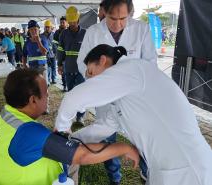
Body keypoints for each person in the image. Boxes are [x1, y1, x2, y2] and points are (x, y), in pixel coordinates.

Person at [56, 44, 212, 185]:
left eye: (91, 72)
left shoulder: (132, 69)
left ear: (103, 60)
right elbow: (103, 128)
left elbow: (73, 98)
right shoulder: (122, 94)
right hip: (165, 168)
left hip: (189, 169)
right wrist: (70, 141)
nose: (91, 79)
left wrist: (60, 132)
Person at [0, 68, 139, 185]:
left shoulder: (7, 113)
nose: (49, 97)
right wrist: (123, 148)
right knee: (75, 160)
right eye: (46, 93)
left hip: (1, 178)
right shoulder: (31, 133)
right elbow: (83, 155)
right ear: (33, 100)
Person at [76, 0, 157, 183]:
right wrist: (95, 76)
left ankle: (147, 174)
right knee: (107, 139)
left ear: (130, 13)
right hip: (105, 99)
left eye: (123, 18)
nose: (118, 24)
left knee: (142, 139)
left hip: (134, 100)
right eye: (113, 18)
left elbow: (150, 63)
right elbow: (82, 63)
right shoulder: (94, 32)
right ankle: (115, 177)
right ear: (104, 11)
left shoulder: (141, 29)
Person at [57, 6, 86, 124]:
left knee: (81, 94)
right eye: (70, 21)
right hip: (68, 69)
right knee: (71, 94)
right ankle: (71, 115)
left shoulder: (85, 33)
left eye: (74, 21)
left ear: (78, 19)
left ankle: (80, 117)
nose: (72, 23)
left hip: (82, 70)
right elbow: (60, 50)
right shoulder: (63, 34)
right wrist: (59, 64)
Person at [53, 16, 68, 91]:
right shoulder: (57, 32)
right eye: (61, 22)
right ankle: (65, 85)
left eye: (63, 22)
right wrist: (58, 53)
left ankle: (69, 85)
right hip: (61, 55)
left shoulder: (69, 31)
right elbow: (55, 44)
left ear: (66, 23)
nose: (62, 24)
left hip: (69, 55)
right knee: (62, 70)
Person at [41, 20, 57, 84]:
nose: (47, 28)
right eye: (46, 27)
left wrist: (56, 53)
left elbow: (56, 44)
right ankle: (48, 80)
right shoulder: (41, 36)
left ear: (51, 27)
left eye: (48, 27)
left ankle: (54, 79)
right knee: (47, 68)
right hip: (45, 55)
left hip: (53, 54)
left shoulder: (54, 35)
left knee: (53, 67)